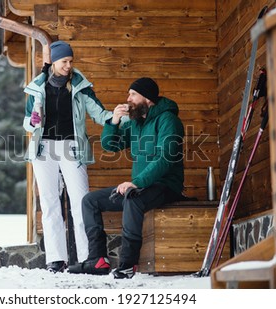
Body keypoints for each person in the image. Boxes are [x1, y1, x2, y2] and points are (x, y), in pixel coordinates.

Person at [68, 77, 185, 279]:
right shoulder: (136, 123)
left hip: (165, 186)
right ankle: (97, 260)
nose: (128, 98)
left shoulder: (168, 120)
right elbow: (110, 145)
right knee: (90, 201)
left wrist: (136, 182)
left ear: (147, 99)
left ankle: (128, 264)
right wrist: (113, 122)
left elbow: (165, 158)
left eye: (132, 94)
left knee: (132, 198)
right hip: (140, 188)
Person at [23, 40, 112, 273]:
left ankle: (87, 258)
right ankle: (56, 259)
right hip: (43, 150)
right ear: (53, 61)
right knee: (50, 204)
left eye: (71, 61)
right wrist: (33, 119)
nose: (68, 66)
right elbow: (26, 122)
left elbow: (100, 115)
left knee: (80, 201)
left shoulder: (81, 87)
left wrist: (118, 116)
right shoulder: (37, 88)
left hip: (72, 147)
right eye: (64, 61)